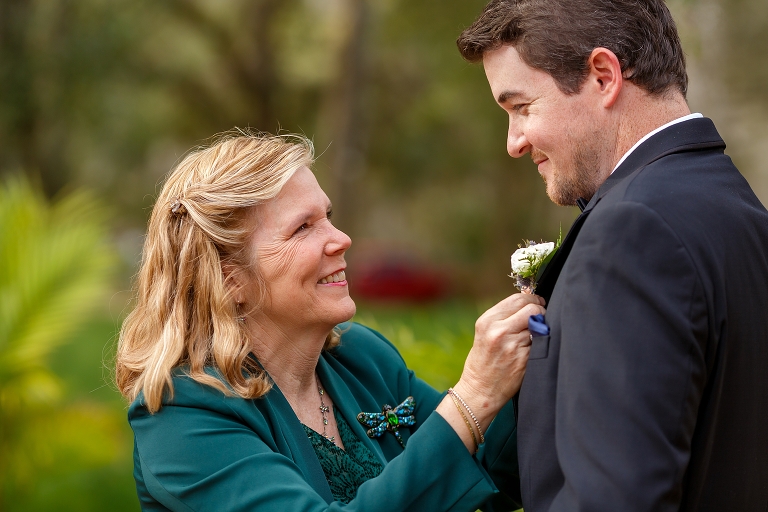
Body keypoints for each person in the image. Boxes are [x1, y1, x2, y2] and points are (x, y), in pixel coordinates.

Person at [115, 131, 539, 511]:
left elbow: (487, 467)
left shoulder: (360, 355)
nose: (340, 239)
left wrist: (547, 349)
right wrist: (475, 395)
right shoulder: (180, 415)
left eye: (328, 217)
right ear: (230, 280)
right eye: (303, 228)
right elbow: (459, 432)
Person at [457, 1, 768, 511]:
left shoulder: (631, 232)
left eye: (521, 107)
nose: (514, 142)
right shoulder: (739, 208)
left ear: (604, 75)